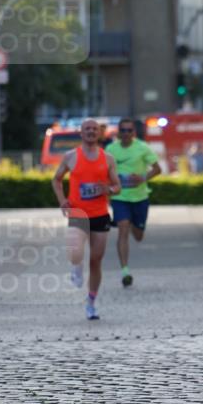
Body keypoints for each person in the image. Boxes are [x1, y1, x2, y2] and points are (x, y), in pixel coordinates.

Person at [52, 117, 121, 320]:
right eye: (87, 129)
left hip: (100, 214)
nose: (91, 132)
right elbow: (56, 180)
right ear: (81, 133)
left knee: (96, 260)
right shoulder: (70, 156)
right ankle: (76, 267)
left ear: (99, 133)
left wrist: (108, 189)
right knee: (75, 252)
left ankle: (91, 302)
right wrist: (62, 200)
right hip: (77, 213)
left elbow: (118, 186)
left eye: (94, 129)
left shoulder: (108, 158)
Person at [106, 118, 161, 287]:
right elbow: (104, 172)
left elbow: (158, 169)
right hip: (120, 198)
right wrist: (108, 191)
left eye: (129, 130)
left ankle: (132, 224)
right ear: (118, 132)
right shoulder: (111, 149)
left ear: (134, 133)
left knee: (138, 236)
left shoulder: (142, 148)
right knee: (122, 228)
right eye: (123, 130)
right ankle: (125, 271)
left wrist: (142, 178)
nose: (126, 134)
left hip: (140, 198)